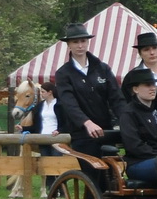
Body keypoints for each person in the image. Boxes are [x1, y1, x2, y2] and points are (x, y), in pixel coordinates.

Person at [52, 22, 123, 158]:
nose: (80, 45)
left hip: (106, 131)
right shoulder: (63, 73)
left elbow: (116, 98)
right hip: (82, 134)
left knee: (111, 175)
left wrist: (127, 122)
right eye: (75, 42)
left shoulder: (103, 68)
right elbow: (69, 103)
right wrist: (87, 123)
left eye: (83, 41)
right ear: (69, 45)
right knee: (92, 175)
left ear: (88, 42)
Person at [118, 68, 157, 187]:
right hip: (139, 163)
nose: (153, 88)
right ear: (135, 89)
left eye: (154, 84)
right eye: (147, 85)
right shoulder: (128, 113)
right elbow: (134, 146)